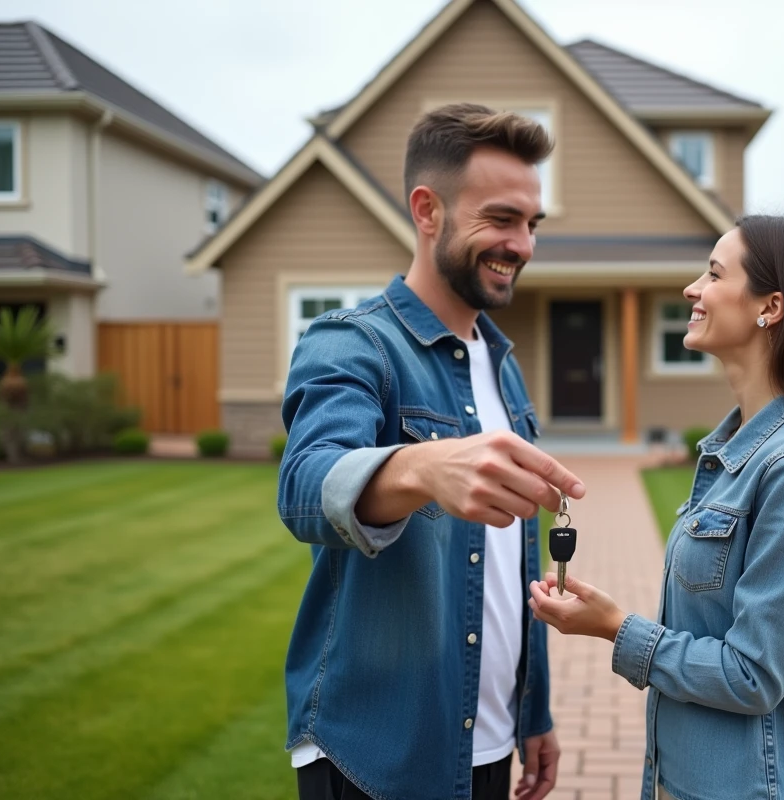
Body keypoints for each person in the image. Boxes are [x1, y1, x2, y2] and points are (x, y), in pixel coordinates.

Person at [278, 103, 585, 800]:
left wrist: (532, 711)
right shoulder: (352, 343)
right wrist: (421, 466)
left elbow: (512, 565)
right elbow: (304, 486)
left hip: (489, 741)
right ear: (427, 210)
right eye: (502, 219)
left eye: (532, 225)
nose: (524, 245)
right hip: (376, 754)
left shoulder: (502, 365)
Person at [529, 215, 784, 800]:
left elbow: (752, 676)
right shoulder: (735, 451)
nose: (692, 289)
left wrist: (616, 629)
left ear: (770, 307)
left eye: (714, 274)